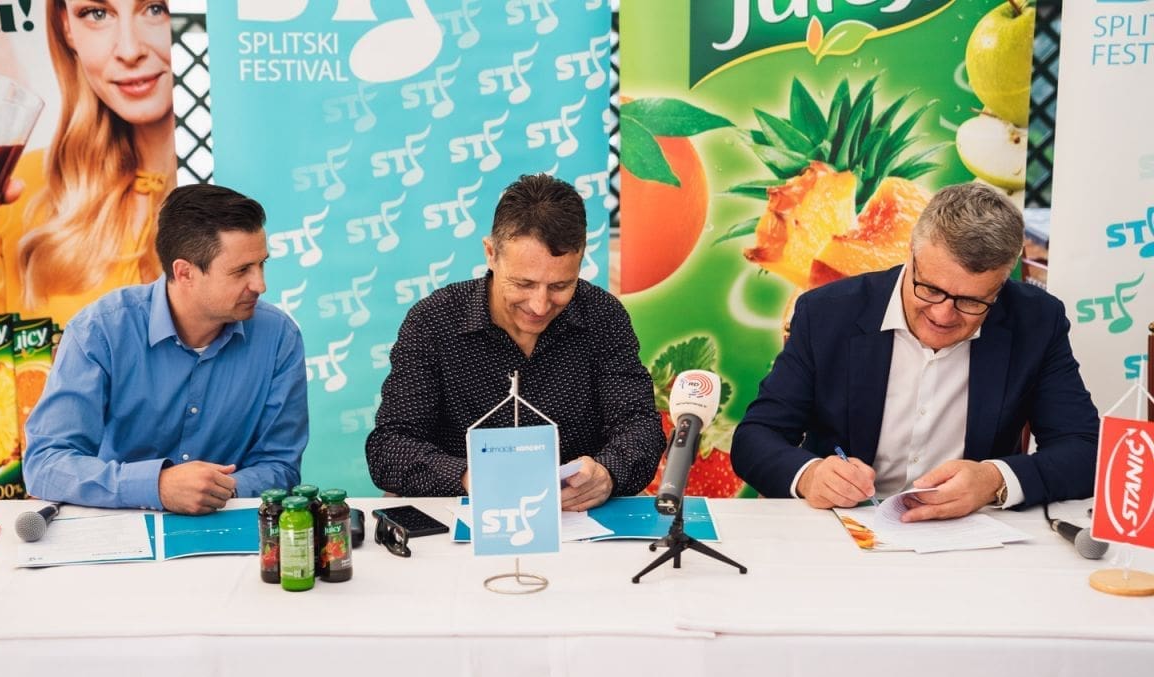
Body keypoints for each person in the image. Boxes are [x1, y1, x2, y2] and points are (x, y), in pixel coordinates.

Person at [731, 182, 1099, 521]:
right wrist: (810, 475)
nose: (943, 315)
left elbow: (1085, 450)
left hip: (970, 537)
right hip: (843, 529)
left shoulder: (1036, 321)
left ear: (1001, 285)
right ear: (911, 254)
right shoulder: (828, 313)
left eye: (971, 302)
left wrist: (993, 480)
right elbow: (756, 437)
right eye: (930, 289)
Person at [365, 173, 665, 512]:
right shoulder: (435, 320)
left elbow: (640, 425)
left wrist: (607, 473)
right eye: (523, 284)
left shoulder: (602, 316)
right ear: (491, 254)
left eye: (560, 286)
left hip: (576, 518)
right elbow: (390, 446)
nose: (540, 305)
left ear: (581, 260)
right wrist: (467, 477)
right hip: (460, 516)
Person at [23, 184, 309, 515]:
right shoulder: (100, 331)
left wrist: (217, 490)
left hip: (229, 524)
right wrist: (155, 486)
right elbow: (46, 463)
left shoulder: (279, 337)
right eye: (241, 270)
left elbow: (280, 465)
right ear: (184, 273)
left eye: (261, 264)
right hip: (119, 524)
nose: (260, 284)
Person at [0, 0, 176, 326]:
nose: (130, 51)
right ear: (66, 26)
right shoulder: (28, 186)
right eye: (97, 14)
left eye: (155, 9)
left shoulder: (239, 175)